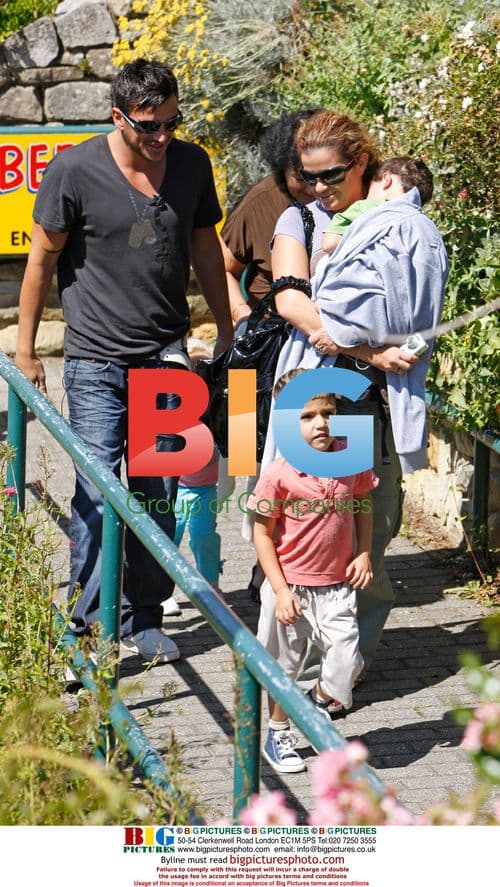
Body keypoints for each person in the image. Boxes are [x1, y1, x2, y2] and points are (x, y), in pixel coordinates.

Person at [14, 59, 233, 664]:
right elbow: (39, 265)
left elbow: (203, 247)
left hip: (165, 357)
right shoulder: (75, 170)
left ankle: (143, 616)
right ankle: (86, 626)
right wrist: (27, 350)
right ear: (118, 116)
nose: (161, 137)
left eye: (171, 122)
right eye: (147, 126)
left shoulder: (191, 165)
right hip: (93, 361)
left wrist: (227, 327)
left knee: (158, 491)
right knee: (99, 490)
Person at [269, 111, 447, 674]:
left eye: (330, 176)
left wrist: (391, 350)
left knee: (374, 526)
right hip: (324, 390)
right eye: (309, 176)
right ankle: (305, 662)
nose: (319, 188)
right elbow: (291, 302)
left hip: (379, 399)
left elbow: (413, 300)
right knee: (314, 522)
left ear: (362, 164)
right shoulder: (298, 219)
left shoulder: (394, 220)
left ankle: (343, 665)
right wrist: (368, 351)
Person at [249, 371, 378, 773]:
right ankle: (278, 733)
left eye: (327, 412)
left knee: (346, 659)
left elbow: (362, 503)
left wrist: (365, 553)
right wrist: (280, 590)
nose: (321, 423)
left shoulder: (350, 456)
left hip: (337, 584)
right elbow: (261, 535)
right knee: (283, 666)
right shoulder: (278, 472)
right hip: (289, 588)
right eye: (307, 417)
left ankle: (316, 702)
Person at [219, 110, 315, 331]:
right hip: (266, 332)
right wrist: (242, 316)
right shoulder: (260, 201)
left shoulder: (349, 196)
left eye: (322, 174)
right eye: (303, 177)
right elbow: (221, 269)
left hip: (327, 336)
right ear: (282, 168)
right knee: (238, 367)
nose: (314, 187)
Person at [321, 155, 434, 256]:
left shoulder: (367, 207)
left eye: (370, 186)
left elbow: (329, 244)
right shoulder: (424, 227)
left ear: (386, 179)